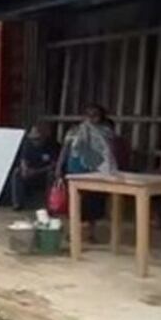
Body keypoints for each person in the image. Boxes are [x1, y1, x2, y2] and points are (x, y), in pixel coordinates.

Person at [57, 104, 117, 242]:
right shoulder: (74, 131)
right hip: (75, 171)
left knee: (94, 204)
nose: (91, 118)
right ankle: (72, 232)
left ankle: (91, 233)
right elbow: (65, 150)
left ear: (101, 117)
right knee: (75, 203)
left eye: (95, 115)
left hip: (97, 172)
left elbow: (110, 152)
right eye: (88, 115)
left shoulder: (106, 131)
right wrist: (59, 168)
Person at [11, 122, 60, 211]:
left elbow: (54, 165)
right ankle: (17, 203)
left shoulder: (52, 145)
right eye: (33, 139)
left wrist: (37, 171)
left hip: (44, 173)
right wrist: (25, 169)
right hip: (30, 172)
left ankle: (50, 204)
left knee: (51, 175)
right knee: (17, 173)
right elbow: (23, 159)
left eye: (37, 139)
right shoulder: (28, 144)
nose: (35, 141)